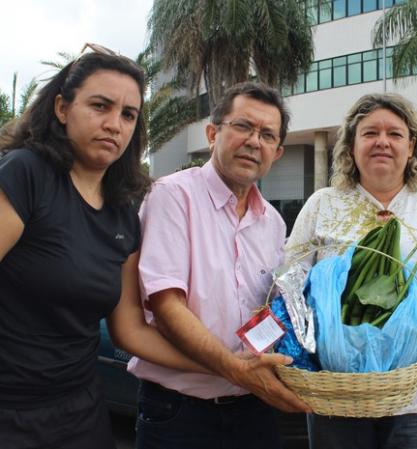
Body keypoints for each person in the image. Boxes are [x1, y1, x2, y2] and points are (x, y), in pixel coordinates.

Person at [0, 45, 211, 449]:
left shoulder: (122, 214)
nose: (114, 124)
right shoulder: (26, 174)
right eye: (101, 106)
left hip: (80, 413)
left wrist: (224, 367)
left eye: (128, 114)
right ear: (62, 108)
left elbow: (129, 330)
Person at [285, 92, 417, 449]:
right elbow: (288, 286)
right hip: (336, 394)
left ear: (411, 147)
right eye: (370, 133)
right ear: (351, 146)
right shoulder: (323, 204)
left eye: (395, 134)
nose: (383, 141)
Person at [128, 81, 311, 449]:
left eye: (266, 134)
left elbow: (273, 310)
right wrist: (238, 370)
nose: (253, 141)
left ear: (277, 152)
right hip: (180, 413)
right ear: (213, 133)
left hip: (254, 410)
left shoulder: (273, 223)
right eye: (242, 126)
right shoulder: (172, 196)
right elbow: (166, 306)